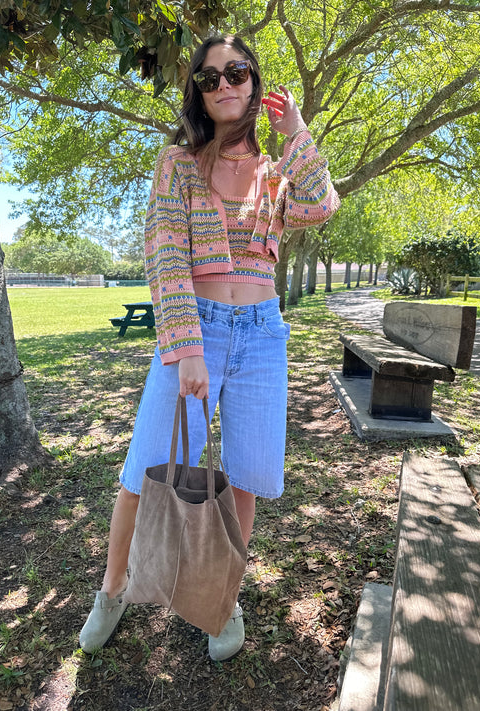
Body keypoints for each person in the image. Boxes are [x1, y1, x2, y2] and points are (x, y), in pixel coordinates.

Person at [79, 33, 340, 662]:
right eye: (210, 78)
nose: (224, 85)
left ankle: (221, 598)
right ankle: (112, 591)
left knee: (245, 477)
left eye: (237, 72)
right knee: (146, 469)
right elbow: (165, 257)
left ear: (253, 80)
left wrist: (297, 129)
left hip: (262, 335)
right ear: (198, 92)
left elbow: (321, 205)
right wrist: (187, 345)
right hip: (195, 327)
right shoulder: (177, 163)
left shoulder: (277, 174)